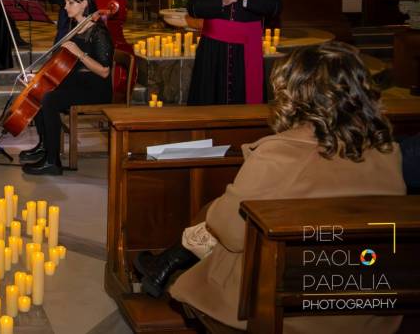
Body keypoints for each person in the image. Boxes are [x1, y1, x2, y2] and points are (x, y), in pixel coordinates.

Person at [139, 42, 405, 334]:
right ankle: (166, 261)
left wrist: (215, 211)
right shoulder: (387, 150)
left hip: (285, 302)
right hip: (367, 297)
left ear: (295, 96)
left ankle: (166, 263)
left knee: (212, 216)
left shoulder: (279, 153)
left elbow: (231, 233)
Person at [21, 0, 113, 176]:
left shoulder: (99, 32)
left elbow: (104, 71)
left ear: (84, 4)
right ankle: (45, 147)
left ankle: (52, 162)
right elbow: (64, 65)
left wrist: (79, 53)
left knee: (50, 99)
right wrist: (39, 77)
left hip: (95, 89)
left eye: (70, 2)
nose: (65, 7)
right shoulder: (76, 28)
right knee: (38, 89)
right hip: (79, 83)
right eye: (65, 2)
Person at [187, 0, 282, 105]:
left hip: (248, 48)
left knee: (245, 96)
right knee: (210, 95)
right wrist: (220, 2)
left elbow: (275, 8)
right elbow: (193, 9)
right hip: (213, 50)